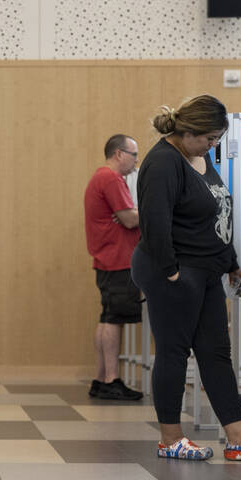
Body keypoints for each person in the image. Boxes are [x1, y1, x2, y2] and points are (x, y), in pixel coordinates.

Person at [129, 94, 241, 462]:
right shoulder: (164, 162)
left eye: (217, 138)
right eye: (209, 138)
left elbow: (219, 214)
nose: (214, 145)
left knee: (216, 353)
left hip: (207, 269)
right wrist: (172, 272)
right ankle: (170, 439)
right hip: (173, 270)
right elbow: (155, 223)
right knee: (175, 352)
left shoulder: (200, 156)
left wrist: (230, 261)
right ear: (187, 131)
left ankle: (238, 438)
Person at [83, 134, 144, 400]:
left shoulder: (103, 178)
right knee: (113, 318)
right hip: (117, 258)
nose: (136, 161)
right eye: (134, 154)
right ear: (119, 154)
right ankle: (110, 379)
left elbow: (126, 217)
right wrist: (154, 212)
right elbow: (130, 219)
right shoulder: (111, 179)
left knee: (108, 316)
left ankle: (101, 377)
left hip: (111, 257)